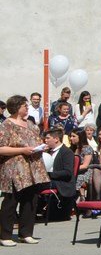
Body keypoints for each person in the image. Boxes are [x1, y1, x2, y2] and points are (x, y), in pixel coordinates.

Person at [0, 95, 50, 245]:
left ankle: (26, 232)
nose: (27, 108)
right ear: (16, 108)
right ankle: (5, 235)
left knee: (30, 200)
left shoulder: (31, 125)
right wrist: (22, 150)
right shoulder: (6, 125)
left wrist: (42, 147)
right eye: (24, 106)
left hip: (32, 168)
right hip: (14, 168)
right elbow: (1, 148)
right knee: (11, 201)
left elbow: (37, 142)